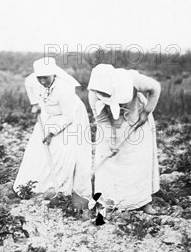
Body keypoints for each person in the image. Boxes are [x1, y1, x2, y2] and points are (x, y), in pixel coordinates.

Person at [14, 57, 92, 201]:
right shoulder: (34, 80)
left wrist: (52, 132)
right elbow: (29, 84)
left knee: (61, 151)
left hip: (71, 118)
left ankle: (60, 189)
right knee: (38, 149)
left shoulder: (64, 89)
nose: (42, 82)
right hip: (50, 115)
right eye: (40, 78)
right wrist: (35, 104)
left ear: (54, 74)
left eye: (46, 78)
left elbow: (69, 117)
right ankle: (35, 187)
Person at [87, 63, 161, 214]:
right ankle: (108, 202)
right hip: (110, 126)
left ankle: (142, 201)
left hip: (137, 119)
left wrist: (146, 112)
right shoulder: (93, 94)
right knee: (109, 165)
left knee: (138, 162)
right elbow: (102, 121)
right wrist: (111, 141)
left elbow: (155, 88)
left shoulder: (132, 79)